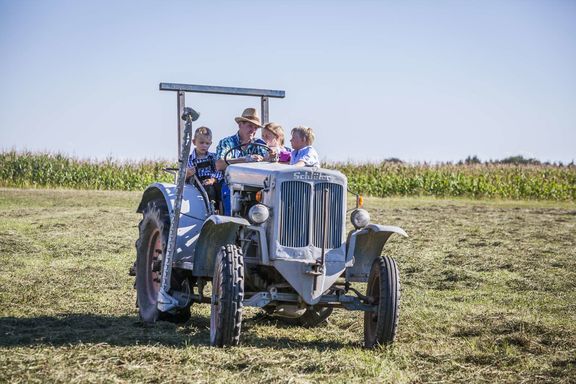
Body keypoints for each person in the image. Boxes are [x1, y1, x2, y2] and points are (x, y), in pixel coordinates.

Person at [215, 108, 269, 215]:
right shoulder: (227, 142)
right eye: (250, 126)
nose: (253, 130)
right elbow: (219, 164)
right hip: (231, 184)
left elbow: (267, 161)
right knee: (232, 208)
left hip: (256, 187)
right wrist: (245, 159)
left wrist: (270, 158)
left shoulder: (260, 144)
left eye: (255, 128)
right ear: (240, 125)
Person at [186, 126, 222, 207]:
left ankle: (220, 209)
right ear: (194, 142)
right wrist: (188, 173)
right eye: (201, 143)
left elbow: (219, 171)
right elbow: (183, 177)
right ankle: (208, 210)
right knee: (208, 189)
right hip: (196, 185)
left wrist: (213, 179)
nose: (204, 146)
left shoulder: (213, 157)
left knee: (221, 188)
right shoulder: (190, 159)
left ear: (211, 143)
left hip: (212, 182)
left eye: (207, 143)